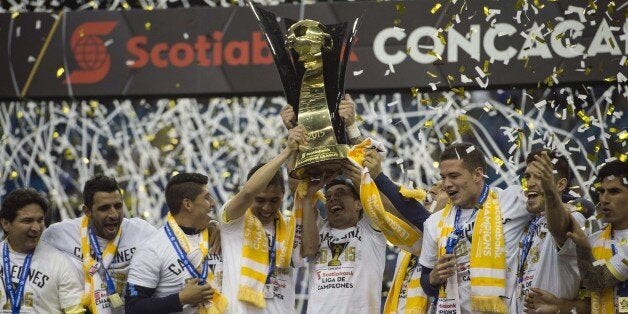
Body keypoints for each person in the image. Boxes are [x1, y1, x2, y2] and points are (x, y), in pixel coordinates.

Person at [301, 146, 430, 314]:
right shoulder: (318, 226)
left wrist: (354, 169)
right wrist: (310, 193)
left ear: (358, 204)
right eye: (329, 196)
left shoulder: (370, 228)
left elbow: (378, 203)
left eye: (341, 193)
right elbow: (309, 249)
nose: (333, 199)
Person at [419, 142, 530, 313]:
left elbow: (549, 204)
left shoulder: (511, 200)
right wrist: (434, 278)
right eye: (443, 177)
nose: (446, 184)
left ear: (477, 174)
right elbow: (426, 284)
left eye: (454, 176)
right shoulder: (434, 223)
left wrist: (573, 205)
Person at [218, 125, 306, 313]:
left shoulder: (289, 228)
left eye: (275, 200)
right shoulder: (233, 220)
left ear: (283, 195)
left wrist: (294, 153)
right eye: (260, 200)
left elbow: (301, 194)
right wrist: (286, 151)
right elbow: (249, 191)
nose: (267, 208)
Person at [41, 174, 157, 313]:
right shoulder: (58, 234)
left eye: (118, 206)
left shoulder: (142, 232)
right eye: (104, 208)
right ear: (87, 211)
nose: (114, 214)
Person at [524, 159, 628, 313]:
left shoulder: (586, 243)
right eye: (601, 191)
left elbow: (598, 282)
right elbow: (589, 305)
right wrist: (559, 305)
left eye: (614, 191)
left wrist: (583, 247)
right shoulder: (595, 239)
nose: (604, 199)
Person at [125, 173, 226, 314]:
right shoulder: (152, 249)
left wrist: (219, 228)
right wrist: (180, 299)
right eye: (206, 197)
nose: (213, 203)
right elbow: (133, 308)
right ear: (188, 204)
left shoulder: (217, 235)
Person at [510, 149, 586, 312]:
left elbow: (559, 229)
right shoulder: (527, 223)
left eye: (540, 177)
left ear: (560, 184)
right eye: (528, 176)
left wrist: (550, 193)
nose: (530, 183)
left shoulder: (574, 218)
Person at [0, 188, 85, 313]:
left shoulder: (60, 263)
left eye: (40, 220)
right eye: (27, 221)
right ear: (6, 224)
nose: (36, 228)